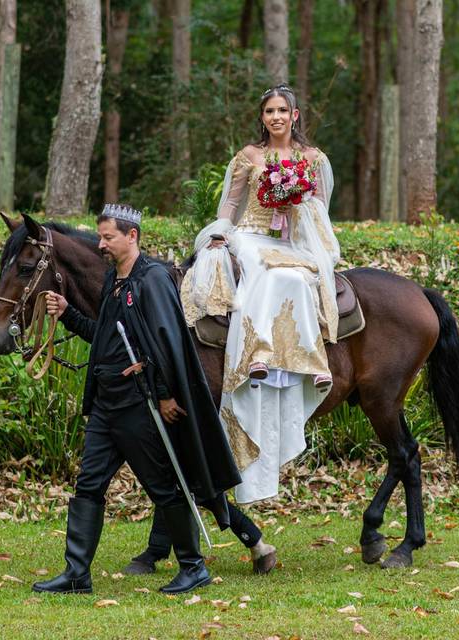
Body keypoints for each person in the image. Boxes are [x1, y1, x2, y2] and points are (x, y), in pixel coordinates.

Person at [33, 204, 241, 595]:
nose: (101, 245)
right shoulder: (114, 279)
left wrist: (163, 396)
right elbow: (106, 337)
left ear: (132, 236)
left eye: (108, 237)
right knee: (89, 485)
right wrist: (66, 313)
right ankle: (77, 573)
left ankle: (193, 567)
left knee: (163, 486)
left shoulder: (154, 279)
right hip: (106, 405)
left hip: (138, 403)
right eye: (100, 237)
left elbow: (166, 344)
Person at [182, 85, 340, 504]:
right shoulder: (248, 157)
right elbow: (229, 208)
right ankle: (258, 353)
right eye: (269, 110)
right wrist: (219, 236)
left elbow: (321, 212)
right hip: (250, 235)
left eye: (282, 110)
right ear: (263, 116)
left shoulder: (313, 160)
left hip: (294, 241)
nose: (275, 117)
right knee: (266, 273)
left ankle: (313, 361)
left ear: (295, 115)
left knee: (296, 278)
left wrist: (297, 200)